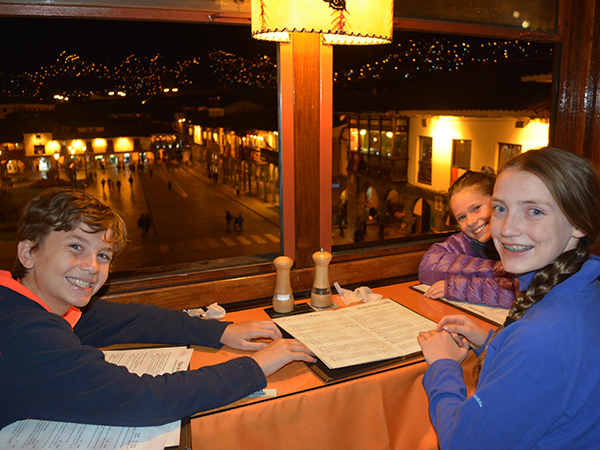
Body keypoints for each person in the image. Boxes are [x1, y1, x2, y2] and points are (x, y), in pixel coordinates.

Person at [0, 188, 315, 430]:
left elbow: (131, 319)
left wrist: (221, 330)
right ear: (28, 253)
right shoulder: (25, 333)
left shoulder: (33, 302)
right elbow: (142, 400)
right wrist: (256, 367)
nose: (92, 267)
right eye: (76, 247)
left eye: (104, 255)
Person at [417, 147, 600, 449]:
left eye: (535, 211)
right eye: (500, 209)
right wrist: (493, 341)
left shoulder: (544, 337)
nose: (506, 229)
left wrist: (443, 366)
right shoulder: (583, 292)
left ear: (579, 223)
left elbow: (462, 443)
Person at [418, 167, 514, 307]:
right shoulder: (466, 241)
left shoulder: (519, 238)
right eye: (462, 217)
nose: (470, 222)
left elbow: (522, 292)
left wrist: (462, 287)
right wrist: (496, 269)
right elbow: (427, 267)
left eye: (476, 209)